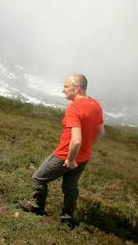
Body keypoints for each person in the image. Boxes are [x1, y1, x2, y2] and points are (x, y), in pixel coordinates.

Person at [18, 73, 105, 226]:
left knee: (38, 179)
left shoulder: (74, 108)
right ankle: (67, 218)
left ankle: (37, 208)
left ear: (77, 88)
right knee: (70, 187)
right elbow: (101, 132)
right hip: (84, 157)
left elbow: (76, 140)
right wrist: (87, 147)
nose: (63, 90)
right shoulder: (95, 104)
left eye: (66, 87)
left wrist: (70, 159)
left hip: (65, 156)